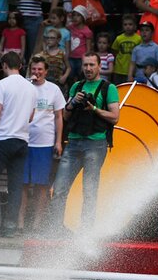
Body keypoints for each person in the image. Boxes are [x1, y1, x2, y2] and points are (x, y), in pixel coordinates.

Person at [48, 52, 120, 232]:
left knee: (89, 191)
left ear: (99, 66)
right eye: (85, 65)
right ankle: (56, 229)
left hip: (95, 144)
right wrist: (73, 103)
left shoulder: (108, 87)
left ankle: (85, 232)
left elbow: (115, 117)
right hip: (73, 143)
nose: (88, 68)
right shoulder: (76, 86)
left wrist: (94, 108)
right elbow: (65, 115)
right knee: (59, 189)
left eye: (91, 65)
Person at [0, 52, 38, 237]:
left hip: (3, 139)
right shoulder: (31, 88)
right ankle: (11, 226)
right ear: (20, 65)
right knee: (16, 185)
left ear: (4, 65)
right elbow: (31, 117)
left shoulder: (1, 84)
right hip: (22, 140)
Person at [19, 55, 65, 232]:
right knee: (22, 184)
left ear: (46, 71)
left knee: (41, 185)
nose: (36, 72)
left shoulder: (53, 90)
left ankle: (37, 224)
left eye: (40, 69)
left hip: (44, 143)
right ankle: (20, 222)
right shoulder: (23, 87)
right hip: (23, 140)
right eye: (34, 69)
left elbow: (59, 116)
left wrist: (58, 141)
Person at [111, 14, 141, 85]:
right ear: (122, 26)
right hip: (119, 69)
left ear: (135, 26)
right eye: (125, 24)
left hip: (133, 70)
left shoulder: (139, 38)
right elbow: (114, 51)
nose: (128, 26)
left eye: (130, 24)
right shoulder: (119, 38)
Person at [67, 5, 94, 83]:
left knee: (81, 76)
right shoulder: (70, 27)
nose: (75, 17)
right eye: (74, 15)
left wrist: (86, 59)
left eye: (78, 15)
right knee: (71, 76)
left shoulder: (87, 31)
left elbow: (88, 48)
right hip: (71, 57)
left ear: (83, 17)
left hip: (81, 58)